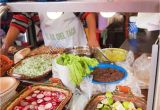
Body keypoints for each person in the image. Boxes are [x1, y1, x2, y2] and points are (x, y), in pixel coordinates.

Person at [1, 12, 99, 54]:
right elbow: (19, 20)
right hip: (52, 53)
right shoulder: (32, 3)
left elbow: (88, 13)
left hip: (78, 50)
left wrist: (92, 38)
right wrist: (5, 47)